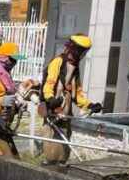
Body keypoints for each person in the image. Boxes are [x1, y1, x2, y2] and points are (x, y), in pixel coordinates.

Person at [40, 34, 102, 165]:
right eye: (79, 50)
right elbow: (48, 85)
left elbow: (77, 95)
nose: (80, 54)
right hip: (53, 115)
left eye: (83, 51)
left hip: (65, 116)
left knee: (63, 155)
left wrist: (90, 105)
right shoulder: (58, 62)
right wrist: (51, 99)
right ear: (72, 48)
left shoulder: (75, 69)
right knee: (51, 154)